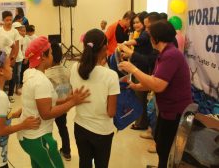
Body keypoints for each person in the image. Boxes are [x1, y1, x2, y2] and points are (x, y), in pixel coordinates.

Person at [119, 20, 192, 168]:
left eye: (150, 35)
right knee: (160, 142)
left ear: (156, 38)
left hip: (175, 110)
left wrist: (133, 69)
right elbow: (154, 80)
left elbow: (158, 85)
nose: (149, 39)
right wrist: (136, 86)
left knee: (164, 147)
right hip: (166, 109)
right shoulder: (164, 53)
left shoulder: (171, 55)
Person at [18, 36, 90, 168]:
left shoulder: (30, 72)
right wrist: (72, 102)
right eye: (50, 53)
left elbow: (48, 102)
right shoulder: (41, 81)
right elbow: (46, 113)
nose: (53, 55)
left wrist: (69, 99)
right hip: (38, 138)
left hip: (30, 137)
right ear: (43, 57)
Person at [70, 29, 119, 168]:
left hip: (80, 126)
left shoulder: (75, 67)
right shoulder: (111, 75)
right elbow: (111, 112)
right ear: (104, 48)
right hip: (102, 131)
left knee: (84, 163)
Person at [121, 11, 152, 130]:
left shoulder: (144, 34)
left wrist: (125, 43)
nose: (135, 25)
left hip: (141, 69)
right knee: (139, 96)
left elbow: (139, 42)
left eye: (138, 22)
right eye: (134, 23)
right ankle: (140, 121)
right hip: (137, 68)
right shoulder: (139, 33)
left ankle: (141, 123)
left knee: (140, 97)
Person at [45, 43, 72, 161]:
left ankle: (48, 151)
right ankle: (67, 151)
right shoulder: (67, 71)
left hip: (52, 107)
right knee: (63, 127)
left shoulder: (47, 74)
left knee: (47, 129)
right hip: (64, 106)